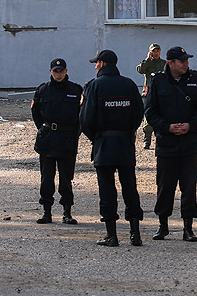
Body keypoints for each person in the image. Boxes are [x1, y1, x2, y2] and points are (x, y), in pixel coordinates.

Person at [145, 46, 197, 242]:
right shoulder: (157, 81)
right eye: (181, 61)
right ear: (171, 63)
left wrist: (191, 125)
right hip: (166, 143)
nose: (185, 64)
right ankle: (162, 225)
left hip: (190, 143)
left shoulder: (195, 79)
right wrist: (167, 127)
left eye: (186, 60)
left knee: (189, 186)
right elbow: (149, 110)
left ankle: (188, 228)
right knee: (165, 186)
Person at [80, 50, 145, 247]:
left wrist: (96, 138)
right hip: (125, 143)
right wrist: (127, 132)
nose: (95, 66)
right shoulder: (129, 84)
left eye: (96, 63)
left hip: (103, 144)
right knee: (130, 188)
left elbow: (85, 119)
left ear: (102, 63)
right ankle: (135, 233)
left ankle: (112, 235)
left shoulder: (94, 86)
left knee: (107, 190)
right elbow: (138, 114)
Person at [31, 58, 83, 225]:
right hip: (47, 139)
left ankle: (67, 212)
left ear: (66, 71)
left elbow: (82, 116)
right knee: (46, 178)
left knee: (66, 178)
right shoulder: (43, 90)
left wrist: (75, 134)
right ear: (50, 72)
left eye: (61, 71)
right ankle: (47, 211)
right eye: (55, 71)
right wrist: (44, 129)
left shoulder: (76, 90)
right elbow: (35, 113)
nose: (58, 74)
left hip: (67, 139)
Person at [136, 43, 166, 149]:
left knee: (162, 116)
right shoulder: (147, 63)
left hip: (162, 93)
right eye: (154, 50)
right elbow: (140, 70)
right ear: (150, 52)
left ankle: (161, 140)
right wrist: (148, 59)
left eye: (157, 50)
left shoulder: (164, 63)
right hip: (149, 92)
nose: (156, 52)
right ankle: (146, 141)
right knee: (148, 118)